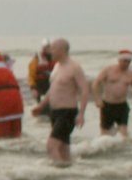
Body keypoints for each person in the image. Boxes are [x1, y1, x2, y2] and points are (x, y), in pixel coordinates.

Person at [32, 37, 90, 166]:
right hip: (55, 112)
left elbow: (85, 90)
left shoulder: (74, 67)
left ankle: (58, 171)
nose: (50, 51)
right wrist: (41, 105)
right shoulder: (57, 66)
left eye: (53, 48)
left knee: (51, 146)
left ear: (62, 50)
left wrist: (81, 114)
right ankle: (70, 171)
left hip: (67, 112)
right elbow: (53, 89)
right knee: (63, 148)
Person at [91, 50, 132, 137]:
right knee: (105, 134)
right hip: (107, 105)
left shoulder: (131, 73)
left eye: (128, 62)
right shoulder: (108, 70)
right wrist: (97, 99)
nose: (125, 64)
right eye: (124, 61)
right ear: (119, 60)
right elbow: (96, 83)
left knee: (124, 134)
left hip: (122, 106)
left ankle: (122, 145)